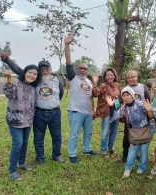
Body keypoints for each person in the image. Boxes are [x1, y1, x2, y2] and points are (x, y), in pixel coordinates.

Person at [0, 52, 64, 166]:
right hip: (39, 113)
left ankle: (56, 155)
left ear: (50, 69)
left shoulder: (57, 80)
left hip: (55, 112)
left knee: (57, 135)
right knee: (38, 137)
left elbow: (60, 95)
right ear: (39, 71)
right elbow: (21, 71)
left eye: (46, 68)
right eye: (42, 69)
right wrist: (7, 59)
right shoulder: (36, 80)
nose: (44, 71)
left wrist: (52, 103)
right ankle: (40, 158)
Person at [106, 87, 156, 179]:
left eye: (128, 95)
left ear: (132, 95)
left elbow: (155, 114)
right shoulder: (124, 108)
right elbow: (113, 117)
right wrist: (111, 106)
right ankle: (128, 168)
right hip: (135, 132)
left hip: (147, 129)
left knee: (143, 150)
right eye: (124, 96)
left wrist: (152, 114)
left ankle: (142, 167)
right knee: (133, 150)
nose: (126, 97)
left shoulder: (141, 103)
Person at [3, 64, 40, 181]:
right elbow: (9, 94)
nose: (32, 75)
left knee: (24, 142)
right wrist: (9, 79)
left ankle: (21, 162)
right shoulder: (16, 84)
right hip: (15, 119)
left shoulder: (34, 87)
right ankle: (12, 170)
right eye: (30, 72)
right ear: (24, 73)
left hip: (28, 120)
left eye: (34, 74)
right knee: (18, 143)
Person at [64, 34, 97, 164]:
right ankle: (72, 154)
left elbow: (92, 96)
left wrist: (93, 110)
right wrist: (67, 45)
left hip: (88, 112)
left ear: (87, 70)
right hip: (76, 111)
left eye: (85, 68)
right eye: (81, 68)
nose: (83, 70)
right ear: (78, 69)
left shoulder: (89, 82)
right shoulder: (73, 78)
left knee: (88, 133)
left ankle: (86, 149)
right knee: (74, 135)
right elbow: (68, 62)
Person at [121, 70, 153, 163]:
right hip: (129, 117)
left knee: (140, 135)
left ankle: (136, 154)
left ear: (137, 77)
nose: (131, 79)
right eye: (128, 77)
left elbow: (148, 99)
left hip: (142, 117)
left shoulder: (143, 86)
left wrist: (148, 112)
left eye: (132, 77)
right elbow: (121, 101)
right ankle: (125, 153)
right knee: (127, 135)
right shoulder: (125, 88)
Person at [92, 68, 121, 158]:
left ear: (114, 76)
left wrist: (118, 97)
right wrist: (95, 83)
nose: (110, 77)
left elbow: (120, 97)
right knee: (105, 132)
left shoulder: (117, 85)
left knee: (114, 131)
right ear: (105, 77)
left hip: (116, 111)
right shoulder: (103, 86)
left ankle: (111, 147)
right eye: (108, 75)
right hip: (106, 112)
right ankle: (103, 150)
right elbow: (95, 94)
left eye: (111, 75)